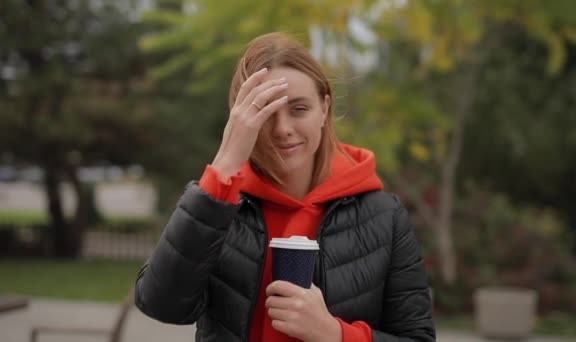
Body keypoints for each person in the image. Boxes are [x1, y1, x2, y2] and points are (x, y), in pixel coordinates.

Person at [135, 32, 436, 342]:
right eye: (265, 112)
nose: (282, 129)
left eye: (299, 109)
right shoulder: (217, 206)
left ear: (325, 108)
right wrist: (224, 165)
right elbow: (161, 304)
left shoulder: (384, 216)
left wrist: (336, 334)